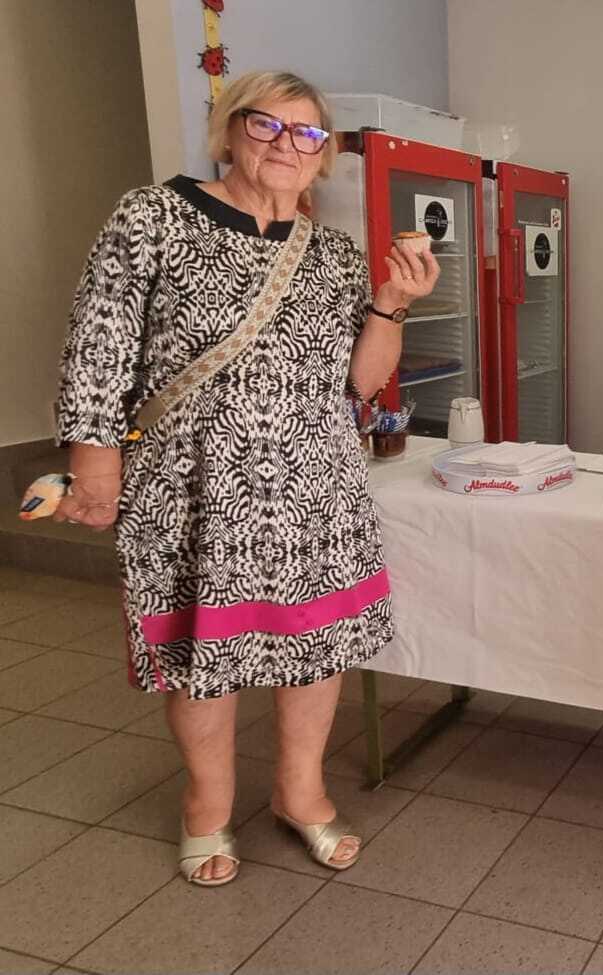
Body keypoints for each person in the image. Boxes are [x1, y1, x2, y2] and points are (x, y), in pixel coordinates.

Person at [53, 71, 438, 886]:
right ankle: (207, 804)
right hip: (193, 480)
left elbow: (360, 384)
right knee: (206, 645)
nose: (286, 145)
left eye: (307, 133)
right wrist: (94, 460)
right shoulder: (153, 215)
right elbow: (99, 342)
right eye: (266, 125)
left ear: (323, 155)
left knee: (316, 646)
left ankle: (300, 791)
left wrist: (393, 303)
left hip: (316, 483)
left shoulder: (332, 252)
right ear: (228, 130)